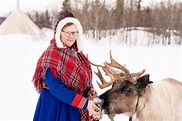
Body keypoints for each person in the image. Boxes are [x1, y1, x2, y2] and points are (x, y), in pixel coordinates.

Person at [32, 11, 101, 121]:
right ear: (58, 33)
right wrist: (85, 103)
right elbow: (56, 89)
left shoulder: (78, 54)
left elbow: (82, 80)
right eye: (67, 32)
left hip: (76, 106)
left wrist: (89, 90)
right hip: (57, 109)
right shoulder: (51, 55)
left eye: (74, 32)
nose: (71, 36)